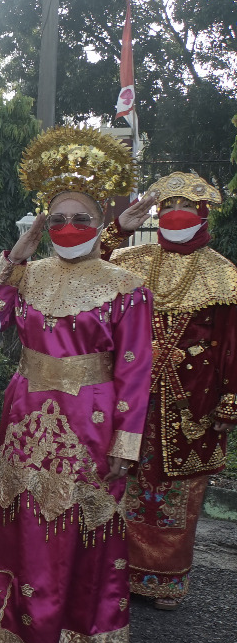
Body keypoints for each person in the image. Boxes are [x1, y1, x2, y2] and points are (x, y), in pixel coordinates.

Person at [0, 126, 151, 643]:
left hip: (91, 420)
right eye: (57, 219)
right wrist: (17, 255)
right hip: (27, 412)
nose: (69, 228)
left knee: (81, 523)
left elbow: (134, 367)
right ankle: (21, 631)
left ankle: (75, 636)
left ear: (102, 223)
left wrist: (127, 439)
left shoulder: (126, 284)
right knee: (25, 518)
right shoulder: (27, 276)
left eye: (81, 218)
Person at [100, 171, 237, 609]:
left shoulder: (223, 273)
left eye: (186, 209)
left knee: (176, 490)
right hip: (131, 395)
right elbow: (84, 268)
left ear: (203, 214)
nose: (176, 216)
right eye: (168, 207)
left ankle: (167, 580)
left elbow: (233, 343)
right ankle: (115, 571)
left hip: (191, 401)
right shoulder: (132, 258)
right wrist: (118, 227)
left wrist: (230, 399)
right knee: (125, 481)